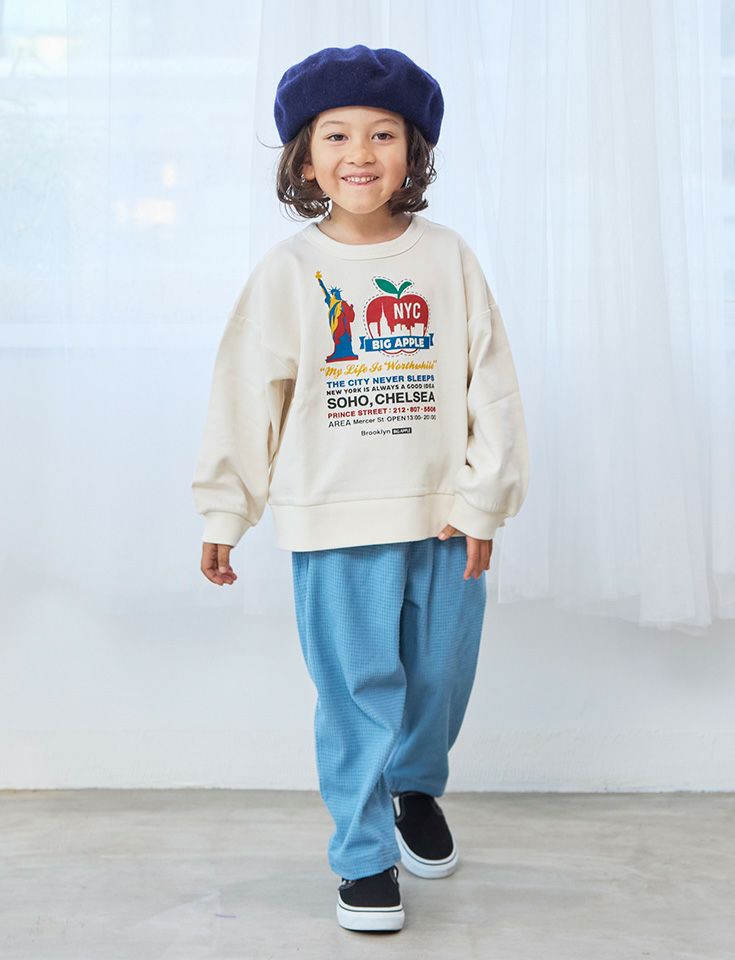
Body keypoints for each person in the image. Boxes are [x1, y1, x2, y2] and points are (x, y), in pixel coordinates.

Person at [191, 44, 529, 934]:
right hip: (334, 522)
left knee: (440, 680)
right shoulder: (288, 271)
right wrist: (227, 507)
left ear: (413, 153)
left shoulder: (448, 259)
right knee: (356, 693)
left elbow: (491, 387)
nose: (361, 153)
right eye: (336, 135)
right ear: (305, 160)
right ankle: (364, 852)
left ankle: (415, 789)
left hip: (445, 520)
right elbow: (246, 395)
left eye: (383, 134)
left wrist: (484, 499)